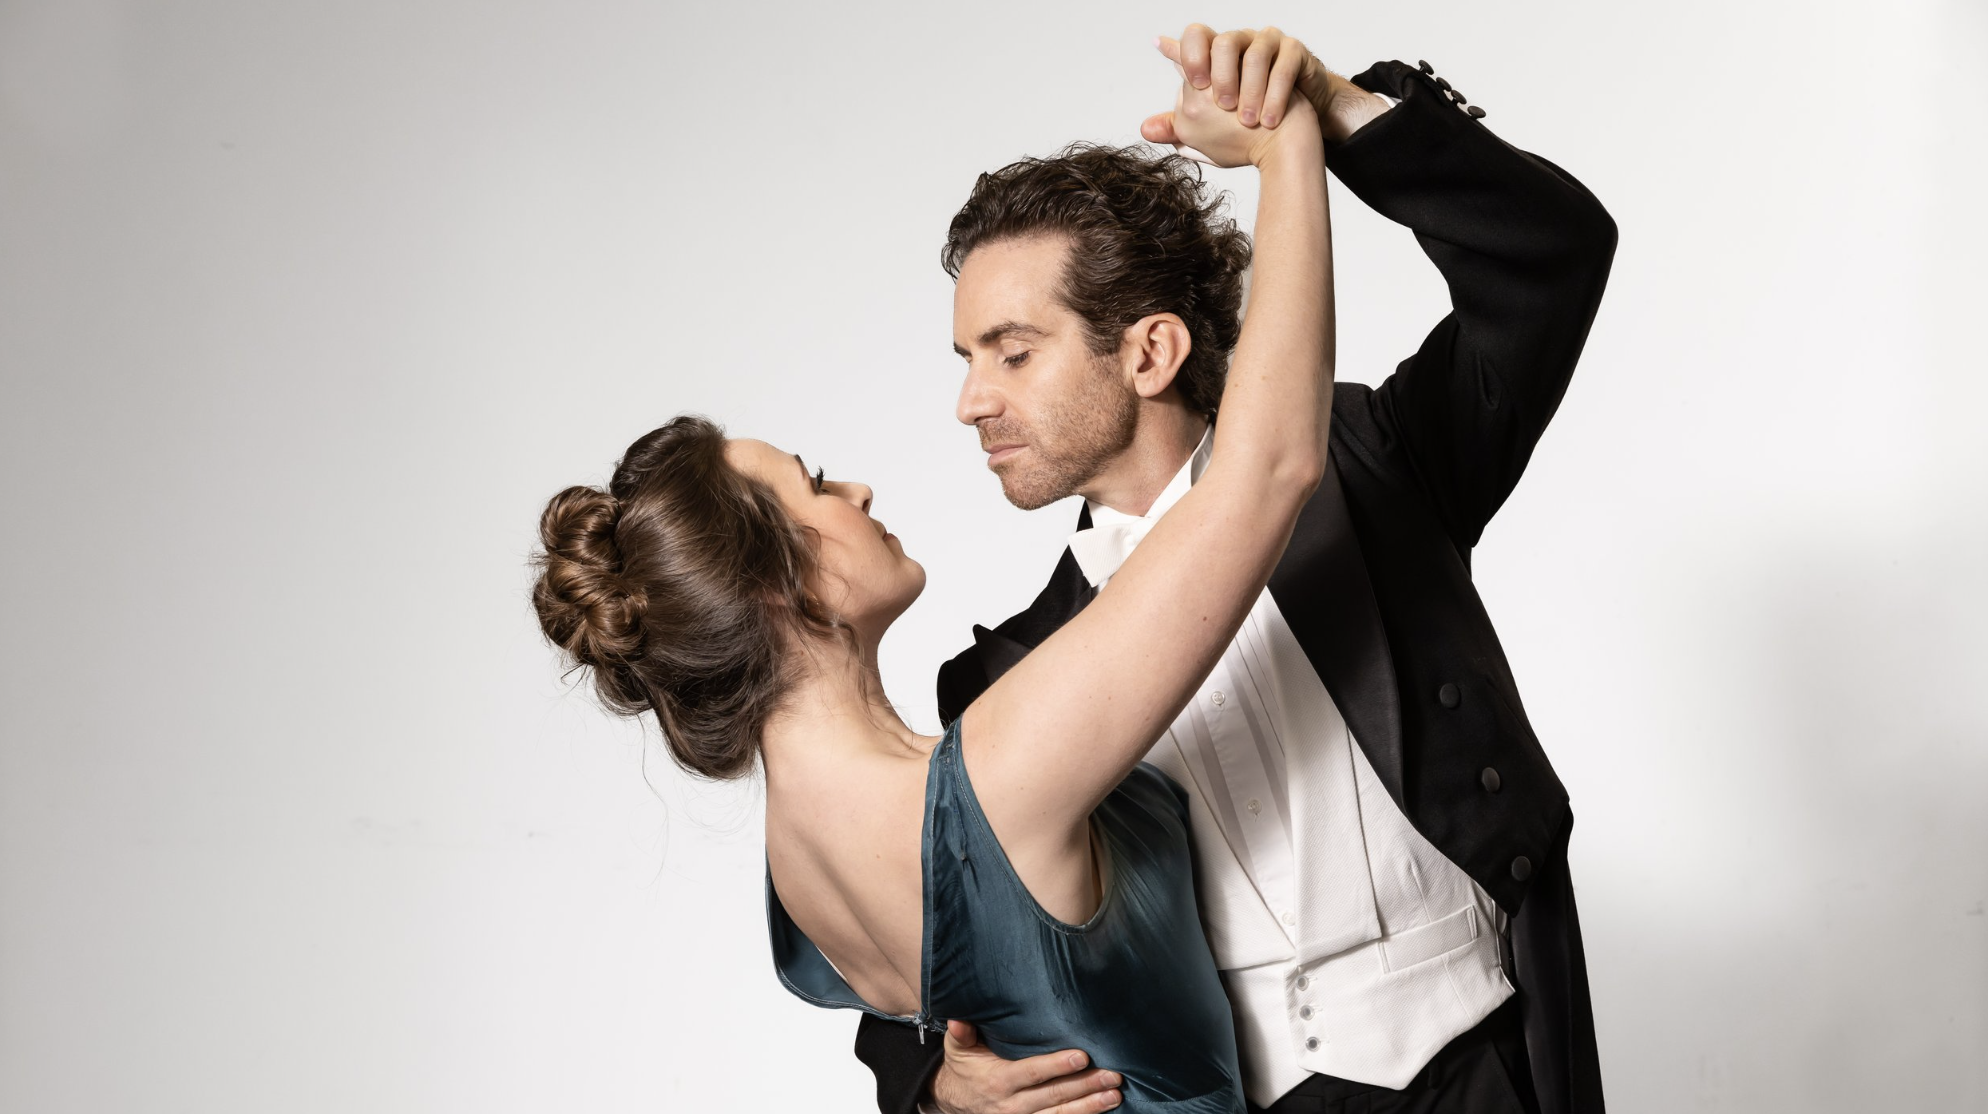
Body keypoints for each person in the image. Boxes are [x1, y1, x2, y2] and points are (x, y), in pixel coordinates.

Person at [528, 51, 1335, 1114]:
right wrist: (1287, 149)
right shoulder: (996, 772)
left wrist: (940, 1099)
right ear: (783, 589)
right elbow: (1268, 469)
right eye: (812, 485)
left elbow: (967, 1004)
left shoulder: (798, 873)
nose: (854, 486)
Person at [853, 23, 1617, 1114]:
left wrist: (1335, 109)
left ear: (1150, 352)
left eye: (1012, 354)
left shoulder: (1377, 463)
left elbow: (1548, 257)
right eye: (969, 361)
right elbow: (904, 930)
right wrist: (929, 1078)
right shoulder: (1000, 678)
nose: (971, 400)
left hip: (1481, 1064)